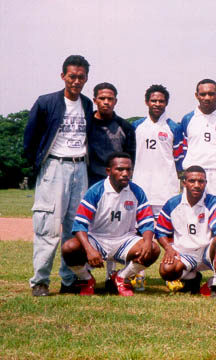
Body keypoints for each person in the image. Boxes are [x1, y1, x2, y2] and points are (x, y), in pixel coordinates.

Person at [23, 55, 93, 296]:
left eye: (81, 77)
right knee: (48, 226)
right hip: (54, 167)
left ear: (86, 78)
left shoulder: (86, 104)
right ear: (63, 76)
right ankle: (40, 281)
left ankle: (69, 280)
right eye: (72, 76)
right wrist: (39, 165)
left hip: (79, 167)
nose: (76, 81)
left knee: (75, 227)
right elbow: (30, 139)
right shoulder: (46, 102)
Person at [60, 152, 160, 296]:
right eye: (120, 169)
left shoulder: (137, 191)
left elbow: (147, 222)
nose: (125, 173)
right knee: (69, 248)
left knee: (153, 249)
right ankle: (87, 279)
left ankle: (120, 278)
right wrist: (89, 250)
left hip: (124, 240)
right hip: (97, 239)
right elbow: (80, 224)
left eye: (128, 169)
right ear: (108, 171)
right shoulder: (96, 191)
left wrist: (148, 241)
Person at [131, 84, 183, 290]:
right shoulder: (136, 126)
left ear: (166, 103)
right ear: (146, 102)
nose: (157, 104)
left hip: (166, 189)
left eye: (161, 101)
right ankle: (137, 274)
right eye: (153, 100)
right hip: (141, 189)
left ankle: (172, 273)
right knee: (139, 234)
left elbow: (180, 159)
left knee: (169, 234)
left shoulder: (173, 127)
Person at [155, 166, 216, 296]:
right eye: (192, 181)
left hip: (208, 251)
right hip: (185, 254)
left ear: (206, 183)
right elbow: (161, 231)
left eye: (201, 181)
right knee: (166, 270)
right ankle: (192, 279)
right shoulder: (173, 204)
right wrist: (168, 248)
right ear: (184, 182)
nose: (197, 185)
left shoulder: (213, 202)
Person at [180, 79, 216, 201]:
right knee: (191, 212)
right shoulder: (187, 119)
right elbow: (182, 148)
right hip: (193, 174)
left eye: (211, 94)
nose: (207, 98)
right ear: (196, 95)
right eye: (202, 94)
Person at [88, 82, 136, 185]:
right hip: (88, 180)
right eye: (102, 98)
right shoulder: (86, 124)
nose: (106, 102)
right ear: (95, 100)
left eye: (110, 99)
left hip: (115, 181)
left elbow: (130, 158)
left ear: (115, 101)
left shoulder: (125, 127)